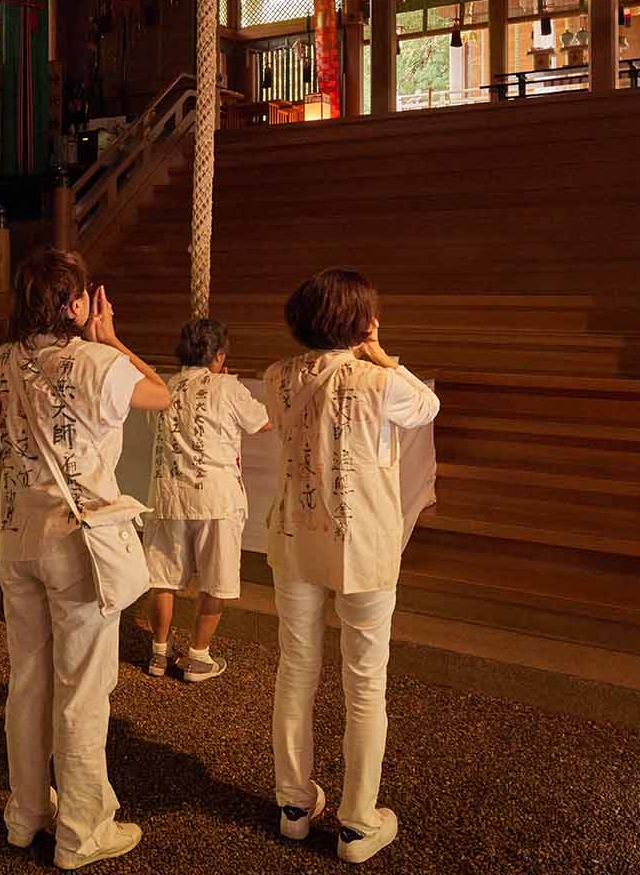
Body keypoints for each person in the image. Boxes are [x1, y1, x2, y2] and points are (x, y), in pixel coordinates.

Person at [0, 247, 169, 871]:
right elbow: (161, 394)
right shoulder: (96, 362)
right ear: (74, 303)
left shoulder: (2, 362)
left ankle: (25, 813)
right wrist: (112, 337)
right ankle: (82, 830)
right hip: (78, 541)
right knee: (84, 690)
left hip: (17, 534)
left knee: (29, 679)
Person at [261, 269, 439, 866]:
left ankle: (292, 805)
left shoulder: (276, 377)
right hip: (362, 546)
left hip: (293, 539)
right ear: (361, 322)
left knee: (296, 669)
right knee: (365, 684)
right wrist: (384, 356)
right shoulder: (378, 382)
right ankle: (357, 825)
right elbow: (429, 406)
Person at [144, 318, 271, 682]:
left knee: (162, 577)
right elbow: (262, 422)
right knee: (216, 579)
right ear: (218, 355)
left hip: (169, 495)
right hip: (217, 497)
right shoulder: (227, 386)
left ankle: (159, 652)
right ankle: (199, 657)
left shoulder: (165, 387)